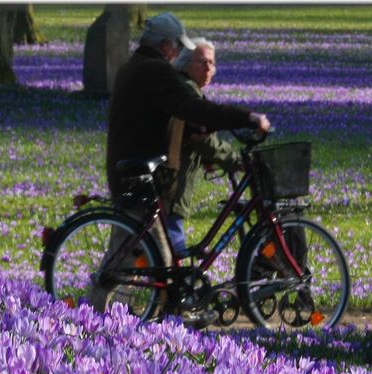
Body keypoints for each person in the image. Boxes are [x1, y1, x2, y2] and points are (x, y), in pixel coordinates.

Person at [96, 12, 269, 317]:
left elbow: (158, 115)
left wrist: (192, 131)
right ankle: (156, 320)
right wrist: (246, 117)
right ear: (165, 46)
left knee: (129, 253)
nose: (177, 53)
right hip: (140, 176)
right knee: (153, 261)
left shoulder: (132, 68)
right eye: (176, 47)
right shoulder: (155, 72)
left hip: (129, 172)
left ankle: (104, 313)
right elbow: (192, 106)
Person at [165, 39, 242, 259]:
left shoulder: (185, 87)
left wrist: (206, 159)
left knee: (152, 250)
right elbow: (201, 139)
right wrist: (235, 160)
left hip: (168, 183)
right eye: (202, 62)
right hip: (170, 185)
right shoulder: (187, 91)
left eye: (211, 62)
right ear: (185, 63)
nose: (208, 68)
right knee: (171, 254)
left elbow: (189, 136)